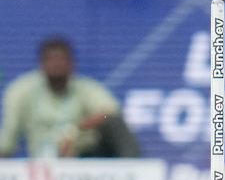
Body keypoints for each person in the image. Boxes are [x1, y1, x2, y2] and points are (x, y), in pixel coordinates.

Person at [0, 37, 140, 158]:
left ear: (73, 64)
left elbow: (109, 114)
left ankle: (135, 174)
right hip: (43, 160)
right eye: (51, 60)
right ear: (40, 64)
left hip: (83, 156)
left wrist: (75, 130)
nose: (56, 65)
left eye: (62, 60)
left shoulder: (85, 88)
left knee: (116, 124)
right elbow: (7, 140)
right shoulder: (21, 91)